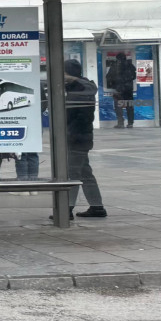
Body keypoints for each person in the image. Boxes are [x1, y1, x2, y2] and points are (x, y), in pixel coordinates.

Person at [64, 59, 107, 218]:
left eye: (63, 73)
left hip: (77, 137)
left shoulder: (81, 89)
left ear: (70, 73)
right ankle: (97, 207)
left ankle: (66, 209)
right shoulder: (78, 88)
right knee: (85, 173)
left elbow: (74, 116)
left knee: (72, 174)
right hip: (80, 136)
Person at [107, 53, 137, 129]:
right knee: (129, 106)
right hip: (128, 90)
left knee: (118, 107)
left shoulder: (115, 66)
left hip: (119, 89)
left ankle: (120, 123)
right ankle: (130, 123)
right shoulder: (130, 66)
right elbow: (134, 76)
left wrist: (114, 83)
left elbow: (108, 77)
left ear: (117, 59)